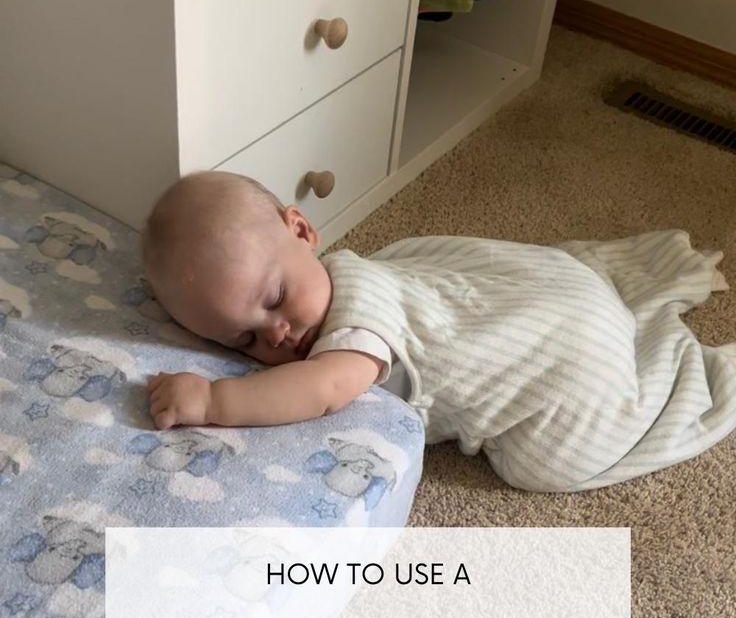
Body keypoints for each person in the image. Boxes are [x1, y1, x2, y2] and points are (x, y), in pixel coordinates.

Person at [143, 171, 736, 493]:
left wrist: (214, 398)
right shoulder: (354, 273)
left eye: (275, 298)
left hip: (577, 358)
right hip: (563, 292)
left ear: (301, 229)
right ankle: (605, 312)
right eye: (244, 342)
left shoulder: (354, 335)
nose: (277, 335)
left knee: (544, 467)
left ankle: (638, 360)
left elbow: (321, 390)